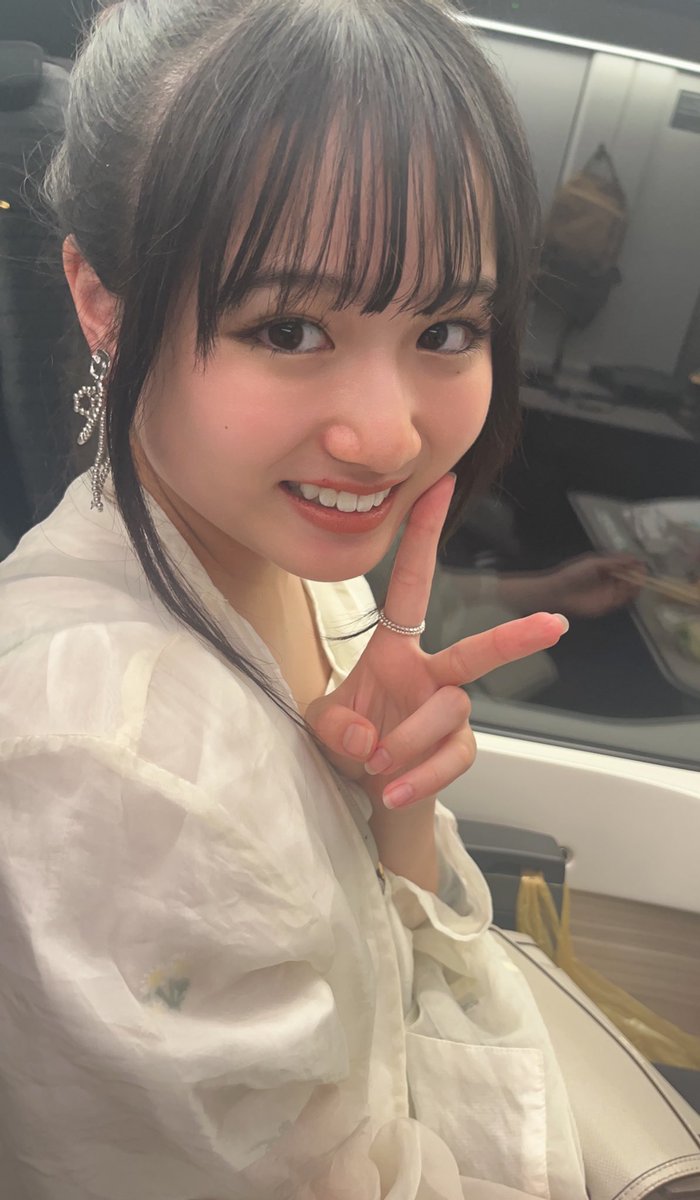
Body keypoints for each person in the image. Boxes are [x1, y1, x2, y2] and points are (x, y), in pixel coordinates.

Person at [0, 1, 588, 1196]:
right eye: (287, 326)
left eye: (446, 327)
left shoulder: (282, 563)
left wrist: (392, 810)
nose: (388, 436)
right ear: (102, 298)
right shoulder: (110, 765)